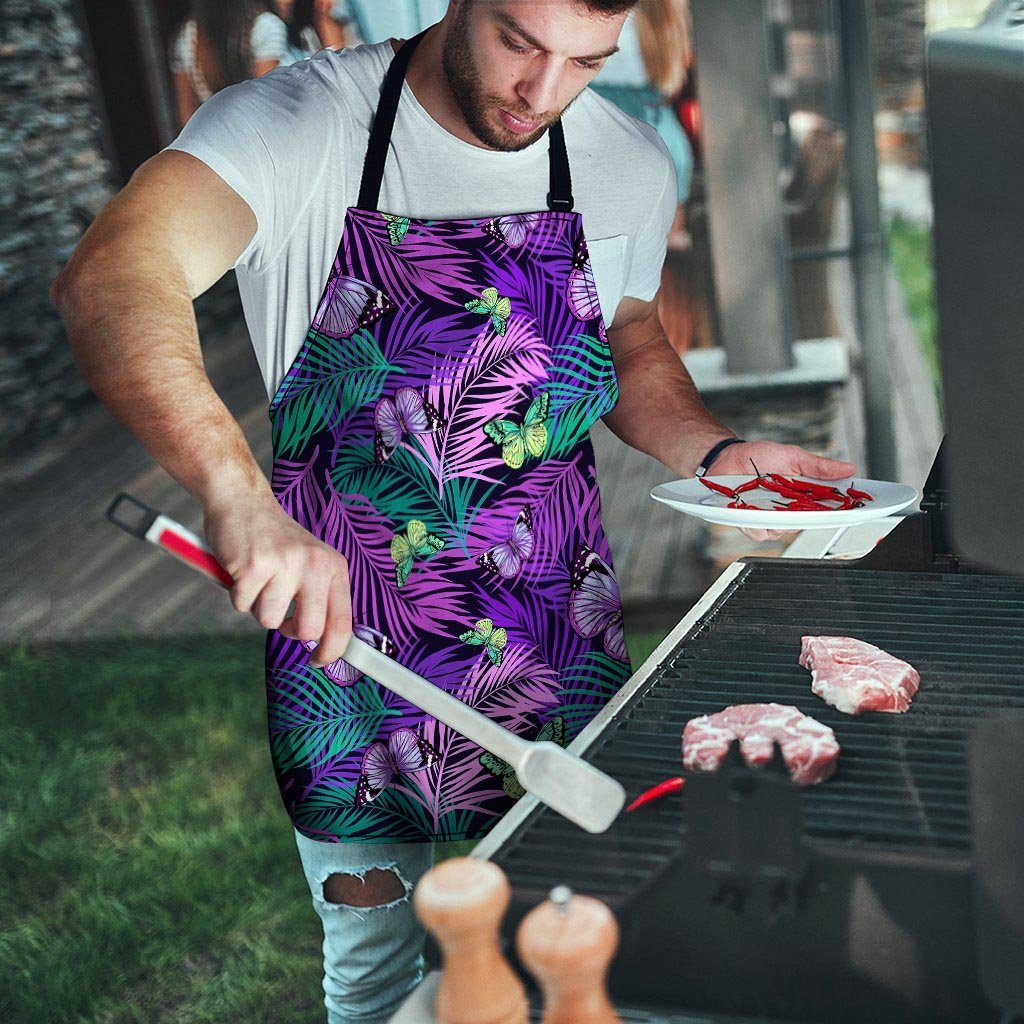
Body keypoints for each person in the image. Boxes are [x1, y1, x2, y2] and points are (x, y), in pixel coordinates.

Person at [52, 2, 856, 1020]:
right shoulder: (298, 124)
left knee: (583, 943)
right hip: (348, 653)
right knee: (380, 973)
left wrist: (717, 449)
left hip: (554, 634)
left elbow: (629, 331)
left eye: (585, 62)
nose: (543, 92)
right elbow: (113, 275)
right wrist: (236, 497)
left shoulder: (624, 159)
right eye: (521, 43)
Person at [170, 0, 289, 126]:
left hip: (215, 138)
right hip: (264, 136)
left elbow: (186, 118)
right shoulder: (265, 27)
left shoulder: (187, 36)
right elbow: (266, 105)